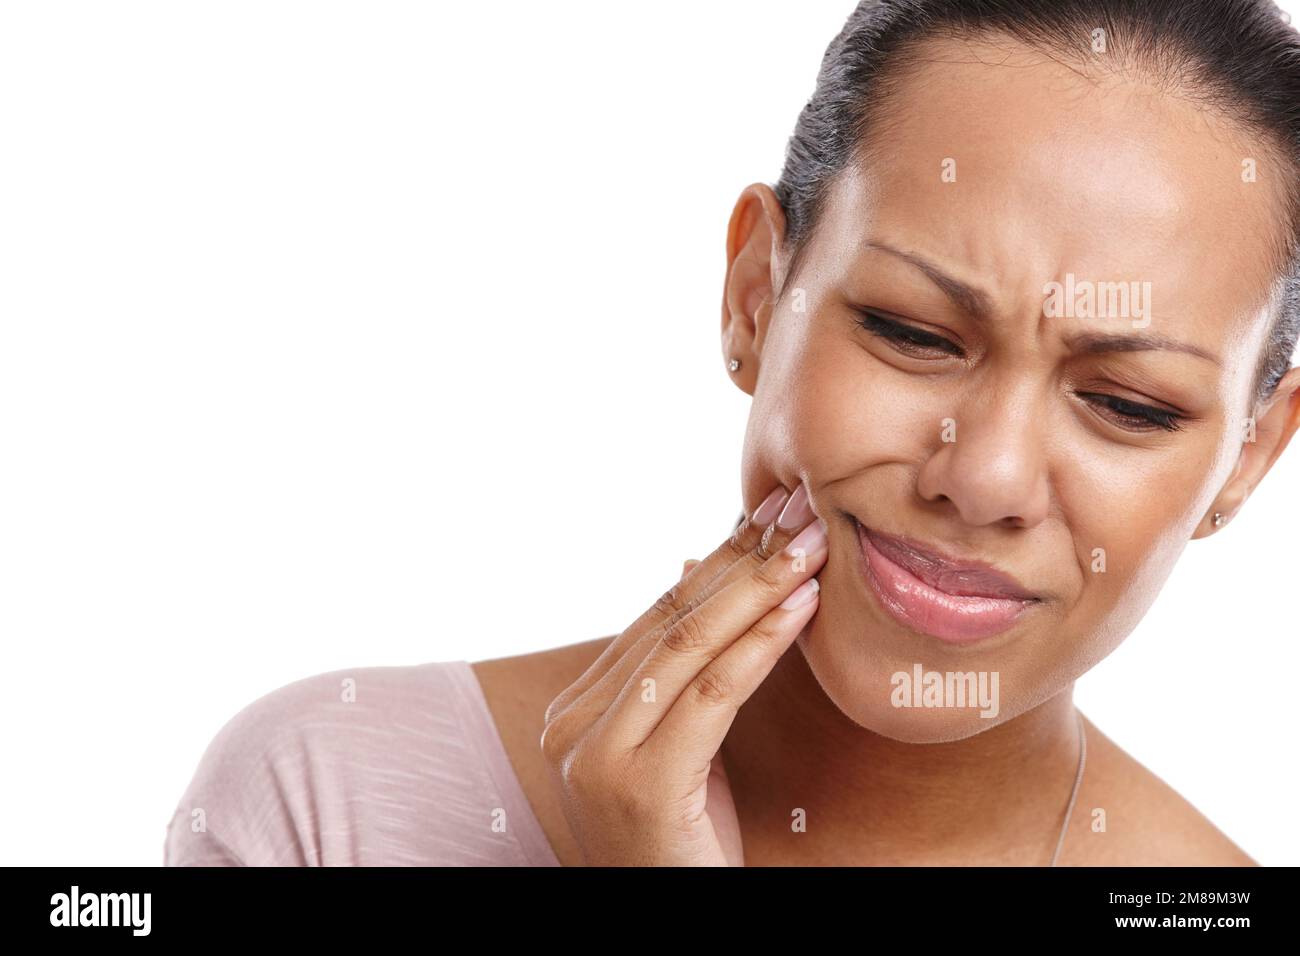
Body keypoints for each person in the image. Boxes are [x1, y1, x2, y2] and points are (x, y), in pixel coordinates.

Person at [165, 0, 1300, 866]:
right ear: (758, 295)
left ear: (1246, 457)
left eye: (1127, 404)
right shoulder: (329, 797)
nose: (985, 474)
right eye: (910, 331)